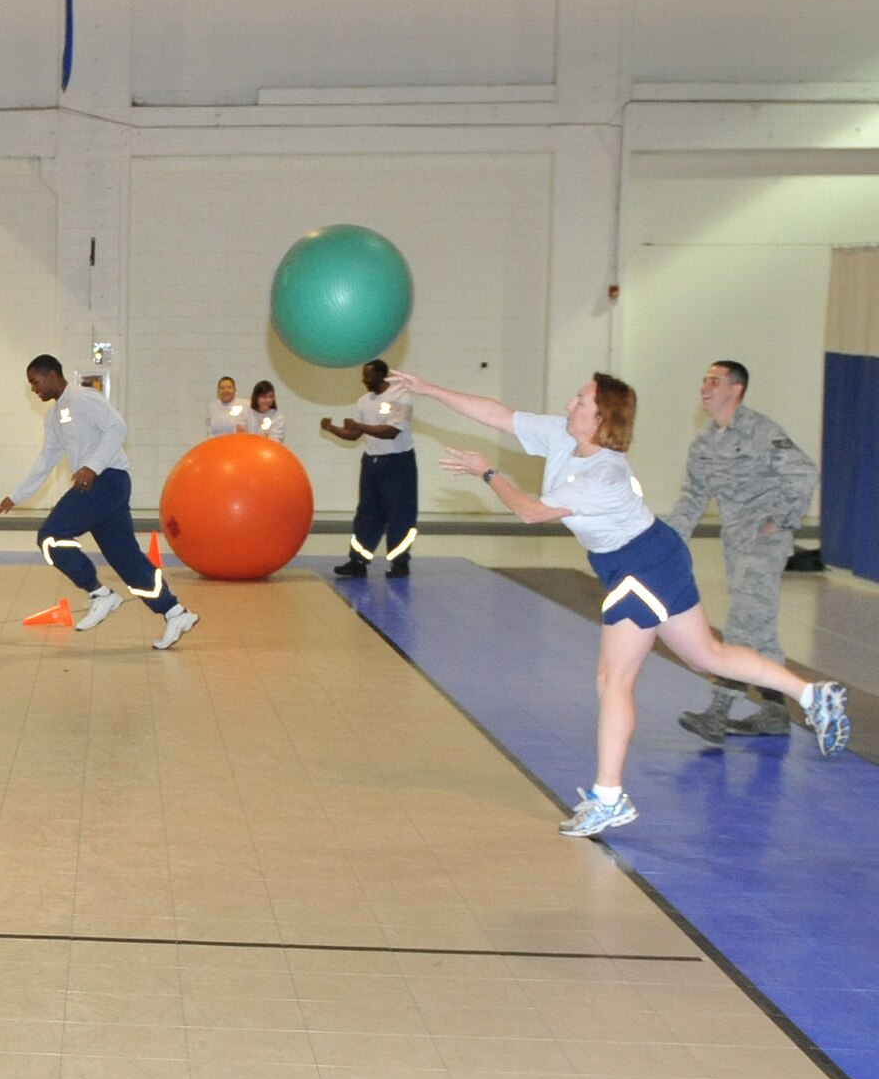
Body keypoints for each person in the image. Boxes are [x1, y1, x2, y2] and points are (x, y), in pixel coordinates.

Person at [387, 369, 849, 838]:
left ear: (601, 417)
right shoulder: (562, 437)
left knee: (614, 679)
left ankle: (609, 797)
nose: (570, 404)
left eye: (581, 400)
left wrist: (488, 472)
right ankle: (812, 695)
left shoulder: (604, 474)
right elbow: (498, 415)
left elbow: (531, 512)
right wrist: (428, 389)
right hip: (656, 555)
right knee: (708, 656)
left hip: (640, 568)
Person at [0, 355, 199, 649]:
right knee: (126, 559)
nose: (33, 389)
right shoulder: (54, 417)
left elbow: (118, 427)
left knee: (50, 536)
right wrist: (16, 496)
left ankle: (99, 593)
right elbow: (46, 459)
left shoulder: (83, 397)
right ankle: (174, 612)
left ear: (52, 375)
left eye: (35, 382)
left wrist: (92, 465)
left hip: (107, 480)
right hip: (102, 487)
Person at [664, 360, 820, 743]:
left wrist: (782, 518)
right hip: (736, 544)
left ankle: (717, 713)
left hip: (763, 545)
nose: (705, 387)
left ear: (736, 390)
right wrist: (665, 543)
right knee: (760, 630)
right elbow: (692, 499)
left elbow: (804, 471)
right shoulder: (704, 443)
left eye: (714, 382)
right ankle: (774, 711)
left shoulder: (760, 431)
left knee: (740, 628)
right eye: (703, 380)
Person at [321, 359, 416, 578]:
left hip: (398, 463)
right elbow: (354, 434)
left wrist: (360, 426)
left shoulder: (401, 397)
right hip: (372, 463)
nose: (364, 380)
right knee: (367, 513)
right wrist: (332, 428)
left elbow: (391, 431)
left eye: (368, 375)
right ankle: (358, 561)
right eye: (363, 375)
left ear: (382, 375)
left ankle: (400, 564)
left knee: (400, 514)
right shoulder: (364, 401)